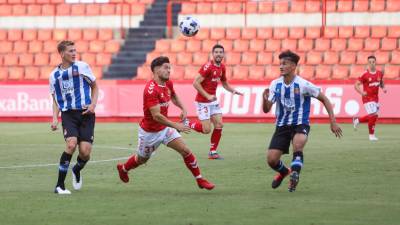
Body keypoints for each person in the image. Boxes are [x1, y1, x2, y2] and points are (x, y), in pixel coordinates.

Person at [116, 56, 215, 190]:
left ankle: (200, 180)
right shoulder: (150, 90)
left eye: (170, 67)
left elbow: (173, 95)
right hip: (149, 133)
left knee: (185, 151)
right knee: (142, 159)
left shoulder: (168, 83)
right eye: (166, 68)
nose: (169, 70)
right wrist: (176, 125)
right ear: (156, 70)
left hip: (164, 129)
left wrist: (183, 108)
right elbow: (156, 116)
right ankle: (123, 168)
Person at [262, 50, 342, 192]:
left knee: (298, 145)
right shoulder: (275, 84)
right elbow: (267, 109)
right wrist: (264, 99)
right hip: (282, 126)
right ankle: (284, 171)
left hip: (300, 123)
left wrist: (333, 121)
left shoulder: (303, 84)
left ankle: (295, 175)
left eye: (284, 64)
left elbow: (325, 99)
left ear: (293, 66)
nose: (281, 66)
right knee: (271, 160)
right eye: (280, 63)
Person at [50, 40, 99, 194]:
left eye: (74, 51)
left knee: (85, 152)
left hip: (86, 114)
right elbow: (56, 99)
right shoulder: (54, 75)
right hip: (68, 114)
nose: (73, 53)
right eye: (70, 51)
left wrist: (92, 105)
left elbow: (95, 86)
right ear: (62, 53)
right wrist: (54, 118)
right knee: (71, 144)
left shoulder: (82, 67)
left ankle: (77, 169)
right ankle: (59, 186)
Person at [185, 44, 243, 160]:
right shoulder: (207, 67)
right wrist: (207, 95)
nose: (218, 54)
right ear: (213, 54)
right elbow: (195, 83)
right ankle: (187, 123)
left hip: (213, 101)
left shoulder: (222, 67)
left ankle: (212, 152)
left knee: (219, 124)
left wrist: (233, 91)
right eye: (216, 52)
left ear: (223, 54)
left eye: (220, 52)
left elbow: (225, 83)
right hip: (203, 101)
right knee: (206, 130)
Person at [353, 55, 387, 141]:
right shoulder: (365, 74)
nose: (372, 64)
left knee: (374, 116)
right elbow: (356, 85)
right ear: (368, 63)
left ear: (375, 62)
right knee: (373, 115)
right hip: (367, 98)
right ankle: (371, 136)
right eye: (370, 62)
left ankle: (357, 120)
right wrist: (361, 92)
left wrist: (383, 88)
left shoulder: (379, 73)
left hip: (376, 98)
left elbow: (381, 82)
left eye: (373, 62)